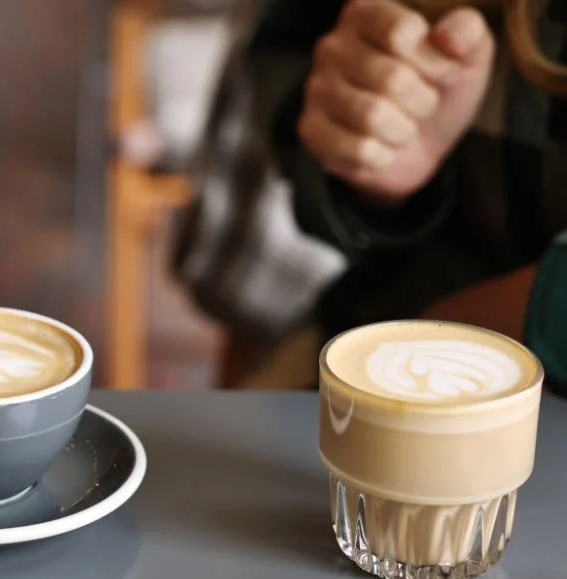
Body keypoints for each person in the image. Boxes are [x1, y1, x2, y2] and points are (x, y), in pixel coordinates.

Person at [173, 0, 567, 392]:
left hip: (413, 364)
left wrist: (542, 311)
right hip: (371, 358)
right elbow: (287, 48)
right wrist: (362, 141)